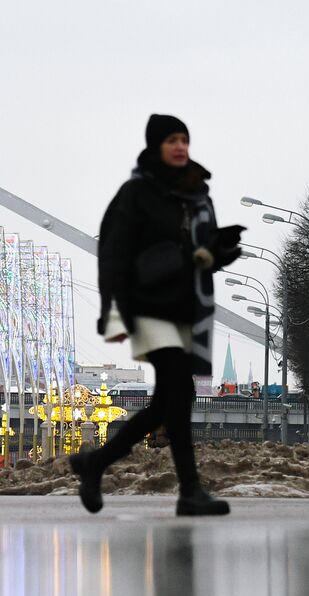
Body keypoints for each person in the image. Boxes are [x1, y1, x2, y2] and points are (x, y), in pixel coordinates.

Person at [70, 114, 243, 517]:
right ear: (155, 147)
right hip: (148, 306)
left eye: (184, 139)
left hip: (188, 308)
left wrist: (219, 251)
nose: (180, 146)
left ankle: (95, 463)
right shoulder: (136, 194)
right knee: (179, 393)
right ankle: (190, 490)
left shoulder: (199, 195)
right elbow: (114, 252)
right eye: (171, 140)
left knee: (167, 401)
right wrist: (111, 312)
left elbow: (201, 253)